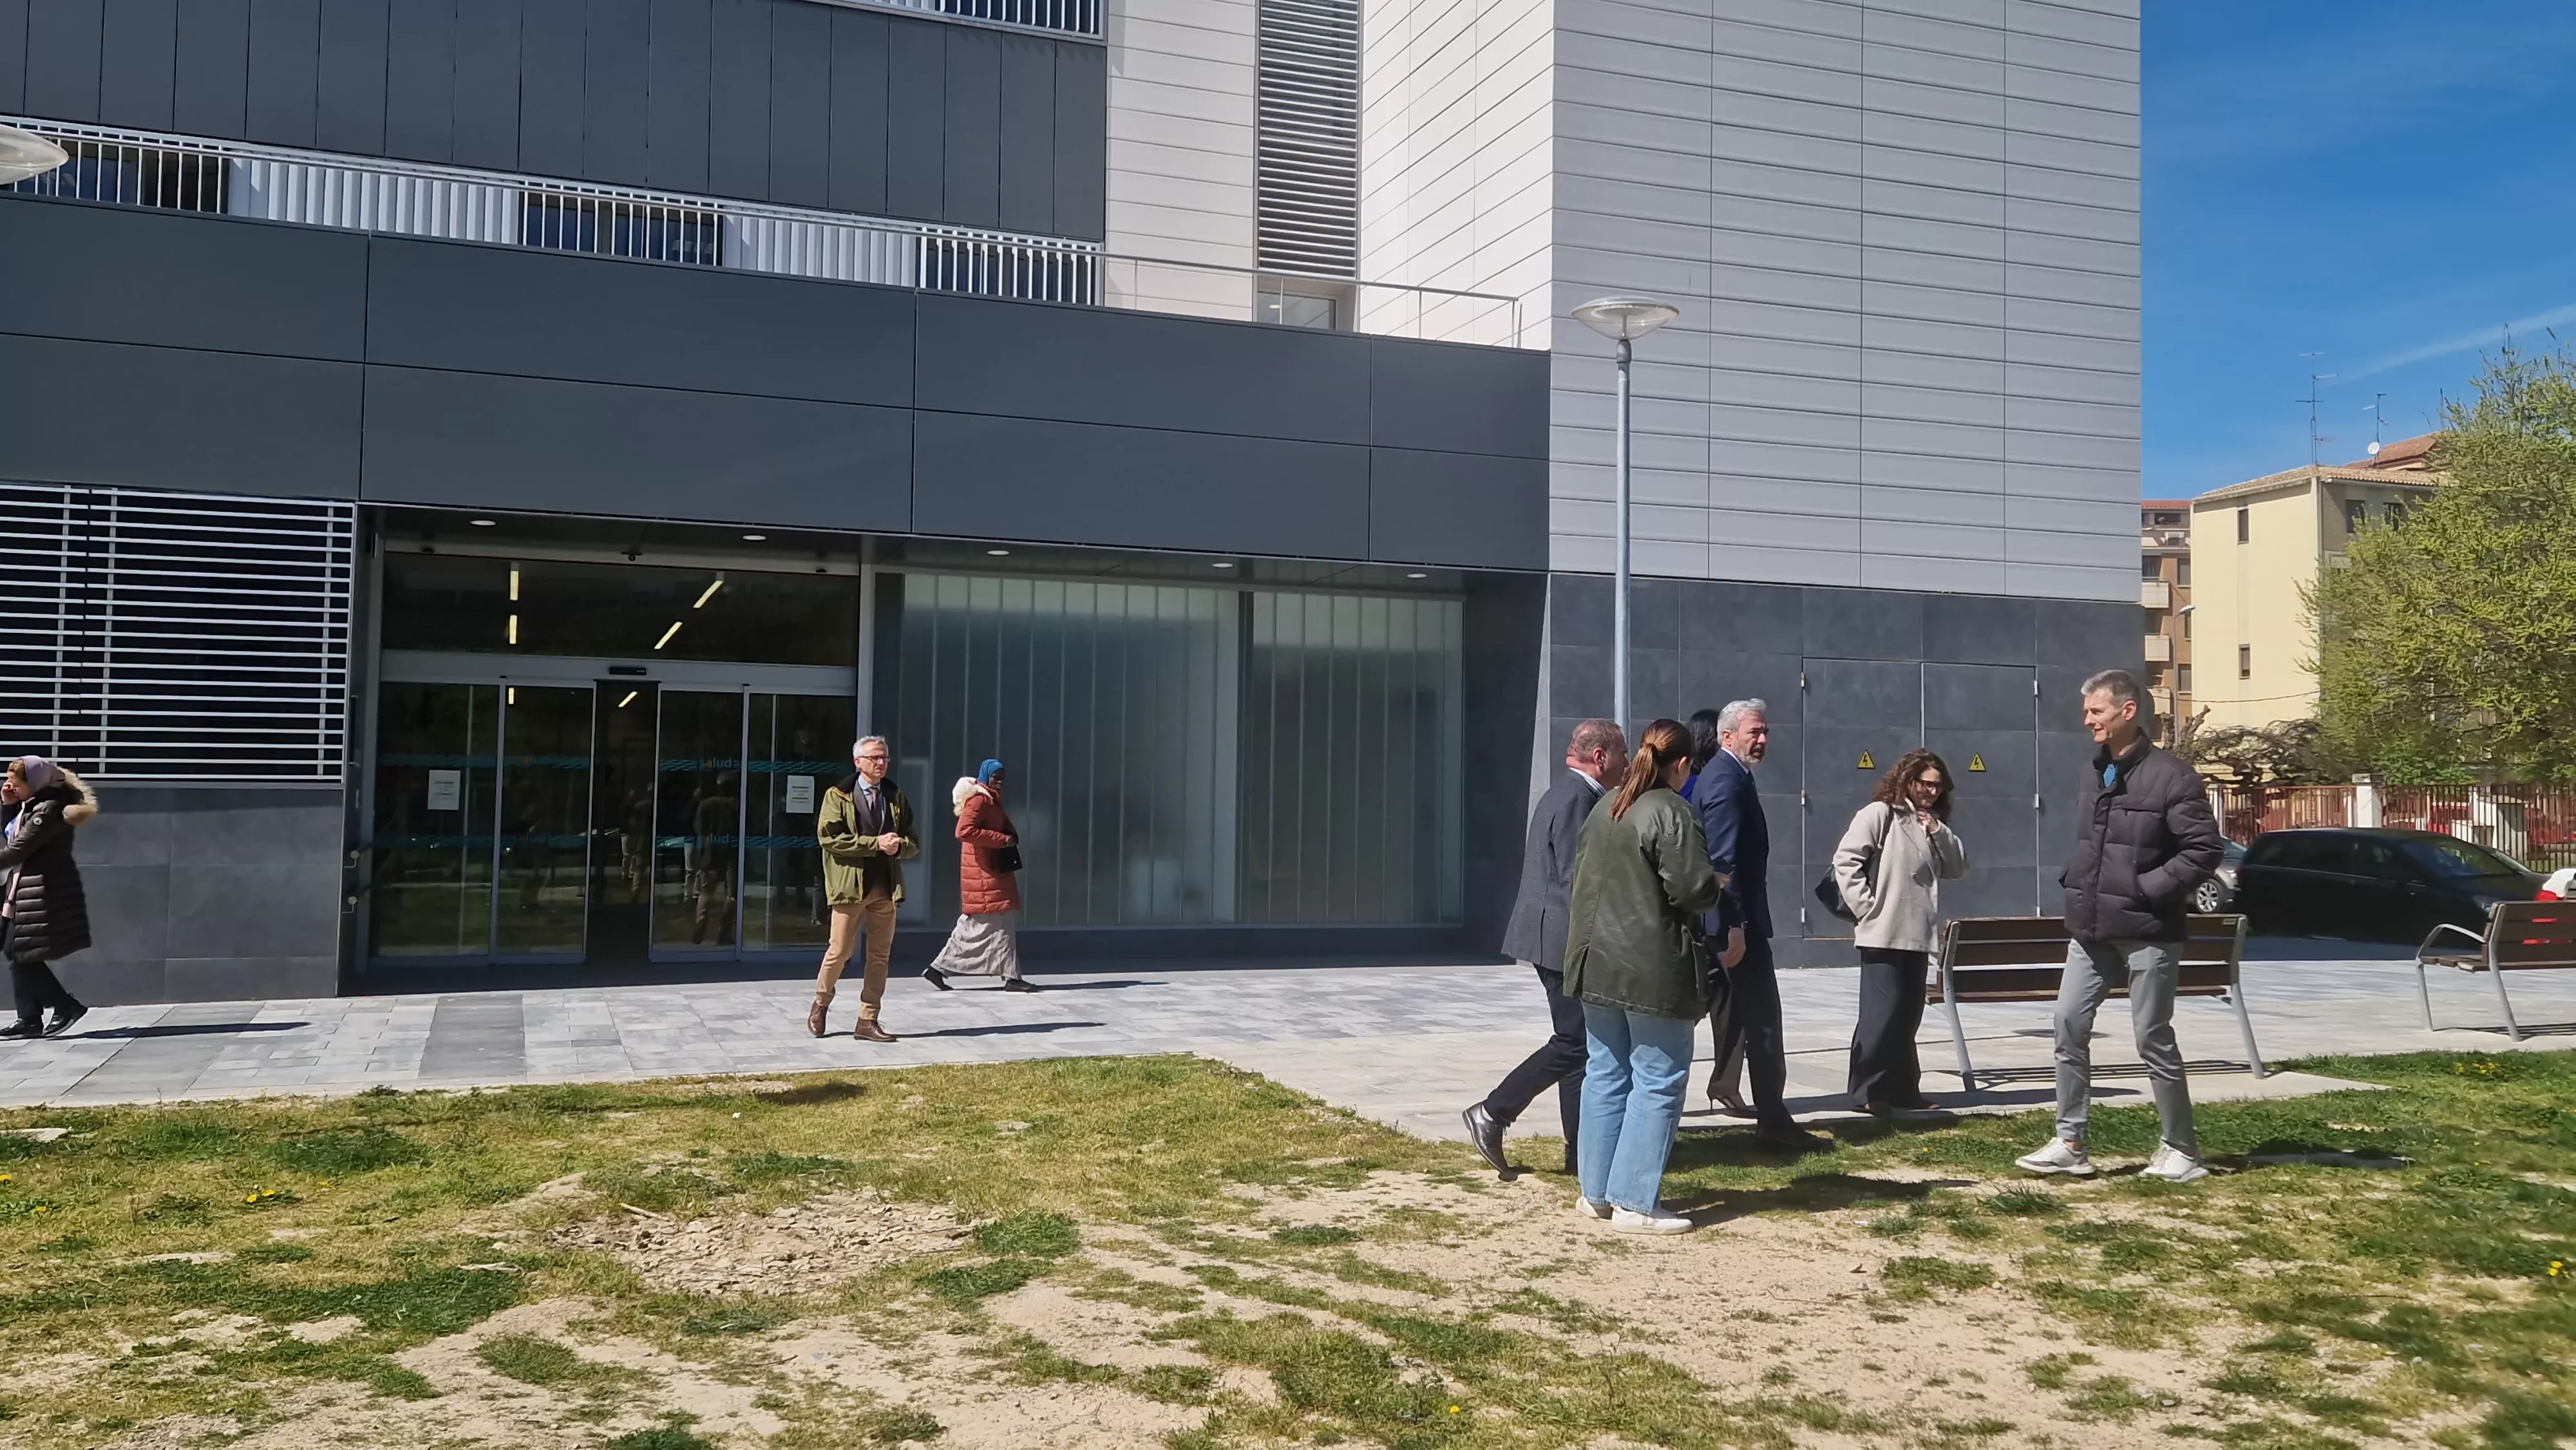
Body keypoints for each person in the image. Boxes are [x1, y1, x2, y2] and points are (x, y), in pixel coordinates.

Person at [2016, 669, 2223, 1184]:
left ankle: (2182, 1149)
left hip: (2148, 931)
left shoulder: (2172, 777)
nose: (2087, 720)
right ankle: (2070, 1143)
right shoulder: (2092, 772)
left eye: (2096, 711)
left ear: (2127, 711)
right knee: (2068, 1024)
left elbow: (2204, 849)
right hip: (2090, 928)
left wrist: (2145, 889)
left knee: (2152, 1037)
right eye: (2086, 711)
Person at [1562, 719, 1723, 1234]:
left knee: (1606, 1073)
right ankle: (1633, 1201)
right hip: (1651, 966)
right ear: (1683, 765)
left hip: (1594, 960)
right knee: (1659, 1079)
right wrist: (1717, 884)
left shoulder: (1607, 806)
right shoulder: (1671, 810)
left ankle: (1596, 1193)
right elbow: (1692, 890)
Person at [1464, 719, 1628, 1176]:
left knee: (1580, 1045)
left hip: (1553, 936)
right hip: (1559, 939)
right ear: (1601, 757)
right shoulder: (1577, 799)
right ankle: (1493, 1112)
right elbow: (1580, 879)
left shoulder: (1568, 793)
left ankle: (1581, 1153)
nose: (1628, 763)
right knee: (1575, 1043)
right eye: (1622, 754)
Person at [1692, 699, 1821, 1149]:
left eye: (1765, 732)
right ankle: (1774, 1123)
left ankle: (1768, 1115)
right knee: (1763, 1023)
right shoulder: (1726, 782)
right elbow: (1722, 862)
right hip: (1731, 925)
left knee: (1721, 1014)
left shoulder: (1729, 775)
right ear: (1727, 736)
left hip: (1725, 921)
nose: (1763, 740)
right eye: (1754, 732)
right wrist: (1736, 926)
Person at [1832, 749, 1969, 1113]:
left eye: (1938, 786)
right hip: (1884, 930)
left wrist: (1938, 830)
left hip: (1917, 934)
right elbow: (1846, 860)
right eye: (1925, 784)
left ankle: (1904, 1090)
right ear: (1907, 780)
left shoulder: (1931, 824)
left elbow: (1957, 867)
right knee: (1881, 1014)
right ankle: (1867, 1092)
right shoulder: (1881, 814)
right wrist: (1868, 908)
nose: (1932, 792)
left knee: (1907, 1016)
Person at [810, 737, 920, 1042]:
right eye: (875, 758)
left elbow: (913, 840)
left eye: (885, 758)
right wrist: (875, 844)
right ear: (858, 762)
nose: (881, 763)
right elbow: (830, 839)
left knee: (879, 956)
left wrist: (900, 846)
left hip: (886, 888)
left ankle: (868, 1019)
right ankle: (821, 1002)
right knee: (840, 951)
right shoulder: (838, 796)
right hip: (850, 888)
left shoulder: (895, 796)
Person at [1680, 709, 1750, 1118]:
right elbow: (1722, 858)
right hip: (1713, 910)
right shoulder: (1713, 784)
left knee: (1717, 997)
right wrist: (1735, 919)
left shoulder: (1688, 785)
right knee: (1716, 998)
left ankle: (1725, 1085)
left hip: (1695, 910)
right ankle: (1725, 1085)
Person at [0, 756, 95, 1040]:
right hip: (23, 886)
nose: (11, 788)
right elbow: (11, 836)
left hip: (43, 888)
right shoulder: (31, 805)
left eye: (16, 784)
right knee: (15, 952)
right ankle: (30, 1018)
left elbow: (19, 850)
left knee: (21, 953)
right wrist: (8, 805)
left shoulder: (48, 808)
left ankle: (65, 1007)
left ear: (34, 783)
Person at [925, 760, 1036, 993]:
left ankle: (1009, 976)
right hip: (985, 874)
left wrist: (1008, 836)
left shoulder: (989, 799)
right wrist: (1002, 840)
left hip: (989, 872)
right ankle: (942, 968)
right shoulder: (980, 800)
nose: (1000, 782)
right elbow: (964, 831)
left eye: (1002, 778)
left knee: (992, 925)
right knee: (985, 925)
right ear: (985, 776)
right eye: (995, 777)